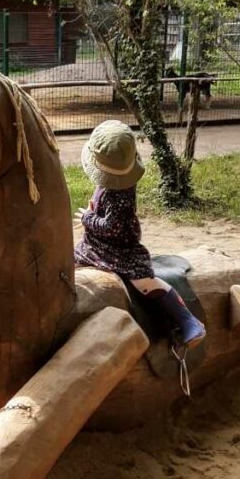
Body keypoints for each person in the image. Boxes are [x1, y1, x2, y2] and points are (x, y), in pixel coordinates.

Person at [74, 120, 206, 347]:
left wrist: (88, 218)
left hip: (120, 249)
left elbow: (111, 227)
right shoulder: (112, 183)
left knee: (144, 281)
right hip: (95, 245)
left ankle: (187, 320)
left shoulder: (121, 194)